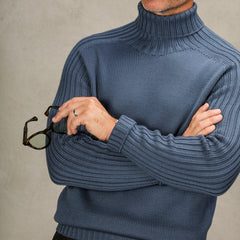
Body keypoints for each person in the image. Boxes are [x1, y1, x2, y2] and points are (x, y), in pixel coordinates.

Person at [46, 0, 240, 239]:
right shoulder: (89, 53)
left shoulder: (229, 67)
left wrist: (112, 129)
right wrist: (178, 158)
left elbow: (215, 172)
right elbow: (63, 162)